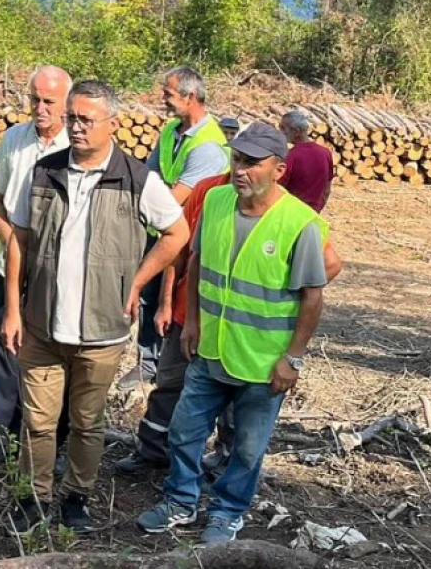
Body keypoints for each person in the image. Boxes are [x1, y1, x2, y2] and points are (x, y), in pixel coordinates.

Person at [2, 80, 191, 534]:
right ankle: (34, 500)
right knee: (39, 420)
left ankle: (76, 499)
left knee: (88, 423)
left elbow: (177, 234)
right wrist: (12, 308)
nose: (77, 127)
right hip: (42, 325)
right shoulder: (44, 172)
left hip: (103, 330)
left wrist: (138, 281)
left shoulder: (136, 179)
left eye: (87, 119)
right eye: (72, 118)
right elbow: (19, 240)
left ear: (114, 124)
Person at [135, 122, 333, 544]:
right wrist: (192, 322)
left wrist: (292, 358)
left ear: (278, 169)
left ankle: (228, 511)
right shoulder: (217, 201)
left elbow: (313, 298)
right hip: (211, 349)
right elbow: (198, 265)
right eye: (236, 160)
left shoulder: (301, 223)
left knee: (246, 448)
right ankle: (180, 501)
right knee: (185, 430)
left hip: (264, 363)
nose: (239, 170)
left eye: (251, 163)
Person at [0, 66, 72, 470]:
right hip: (11, 268)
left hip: (60, 274)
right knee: (5, 351)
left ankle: (55, 444)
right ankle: (1, 443)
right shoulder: (15, 139)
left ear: (67, 103)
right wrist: (11, 241)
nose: (39, 108)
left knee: (61, 351)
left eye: (48, 101)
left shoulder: (80, 144)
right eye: (34, 98)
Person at [130, 67, 230, 390]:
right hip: (163, 228)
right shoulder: (172, 130)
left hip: (189, 238)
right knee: (147, 293)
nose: (163, 99)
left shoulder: (209, 146)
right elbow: (149, 175)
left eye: (168, 94)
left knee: (174, 301)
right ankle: (148, 364)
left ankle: (169, 369)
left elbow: (177, 200)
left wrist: (147, 204)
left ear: (190, 98)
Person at [278, 110, 334, 213]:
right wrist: (317, 209)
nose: (280, 131)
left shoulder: (291, 156)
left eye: (283, 128)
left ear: (296, 132)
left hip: (292, 212)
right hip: (313, 213)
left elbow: (278, 189)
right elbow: (327, 188)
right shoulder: (325, 153)